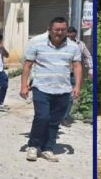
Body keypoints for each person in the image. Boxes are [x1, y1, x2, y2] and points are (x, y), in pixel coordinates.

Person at [20, 17, 82, 162]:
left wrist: (77, 86)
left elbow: (77, 66)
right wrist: (24, 85)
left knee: (55, 121)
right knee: (42, 117)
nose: (59, 33)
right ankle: (33, 146)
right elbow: (27, 65)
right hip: (41, 87)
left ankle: (48, 148)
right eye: (57, 30)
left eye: (63, 30)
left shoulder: (73, 46)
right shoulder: (36, 42)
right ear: (50, 29)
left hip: (63, 89)